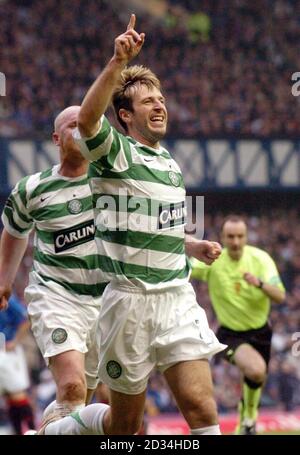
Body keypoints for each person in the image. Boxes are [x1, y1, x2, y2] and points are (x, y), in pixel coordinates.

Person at [39, 14, 226, 436]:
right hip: (130, 303)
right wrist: (117, 63)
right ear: (124, 115)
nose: (159, 105)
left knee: (201, 407)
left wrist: (190, 246)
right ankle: (60, 430)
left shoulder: (170, 164)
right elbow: (87, 122)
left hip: (177, 297)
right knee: (124, 428)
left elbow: (156, 228)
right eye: (148, 102)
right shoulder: (115, 152)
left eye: (161, 99)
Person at [0, 106, 108, 433]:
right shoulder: (32, 188)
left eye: (87, 126)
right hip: (57, 295)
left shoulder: (113, 183)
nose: (80, 131)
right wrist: (4, 282)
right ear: (56, 138)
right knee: (73, 387)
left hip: (108, 299)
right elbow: (15, 232)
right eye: (73, 126)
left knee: (87, 396)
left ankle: (47, 430)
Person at [191, 215, 286, 435]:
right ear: (222, 238)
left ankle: (247, 423)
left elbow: (280, 295)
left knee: (258, 375)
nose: (235, 241)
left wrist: (259, 283)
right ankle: (249, 420)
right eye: (230, 236)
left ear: (246, 237)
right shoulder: (214, 261)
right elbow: (183, 268)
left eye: (240, 236)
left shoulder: (261, 260)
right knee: (255, 370)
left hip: (261, 332)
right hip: (230, 334)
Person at [0, 293, 35, 434]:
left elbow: (25, 319)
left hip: (6, 350)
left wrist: (15, 342)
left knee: (17, 393)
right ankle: (19, 431)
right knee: (8, 395)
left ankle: (32, 430)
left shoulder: (3, 293)